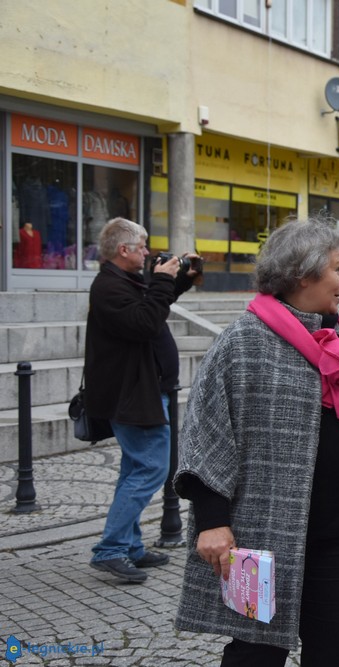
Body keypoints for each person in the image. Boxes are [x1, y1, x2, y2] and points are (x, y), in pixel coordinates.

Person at [173, 217, 339, 665]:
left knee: (332, 655)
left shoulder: (338, 339)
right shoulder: (244, 342)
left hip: (338, 537)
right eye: (338, 269)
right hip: (264, 537)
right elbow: (206, 432)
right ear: (303, 274)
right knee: (255, 655)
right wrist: (212, 520)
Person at [85, 217, 197, 583]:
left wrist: (178, 279)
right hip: (131, 394)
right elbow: (146, 322)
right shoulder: (108, 287)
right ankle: (111, 549)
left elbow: (154, 305)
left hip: (141, 390)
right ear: (124, 250)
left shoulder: (124, 281)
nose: (147, 253)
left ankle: (129, 546)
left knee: (134, 469)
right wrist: (163, 281)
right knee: (151, 468)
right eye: (142, 247)